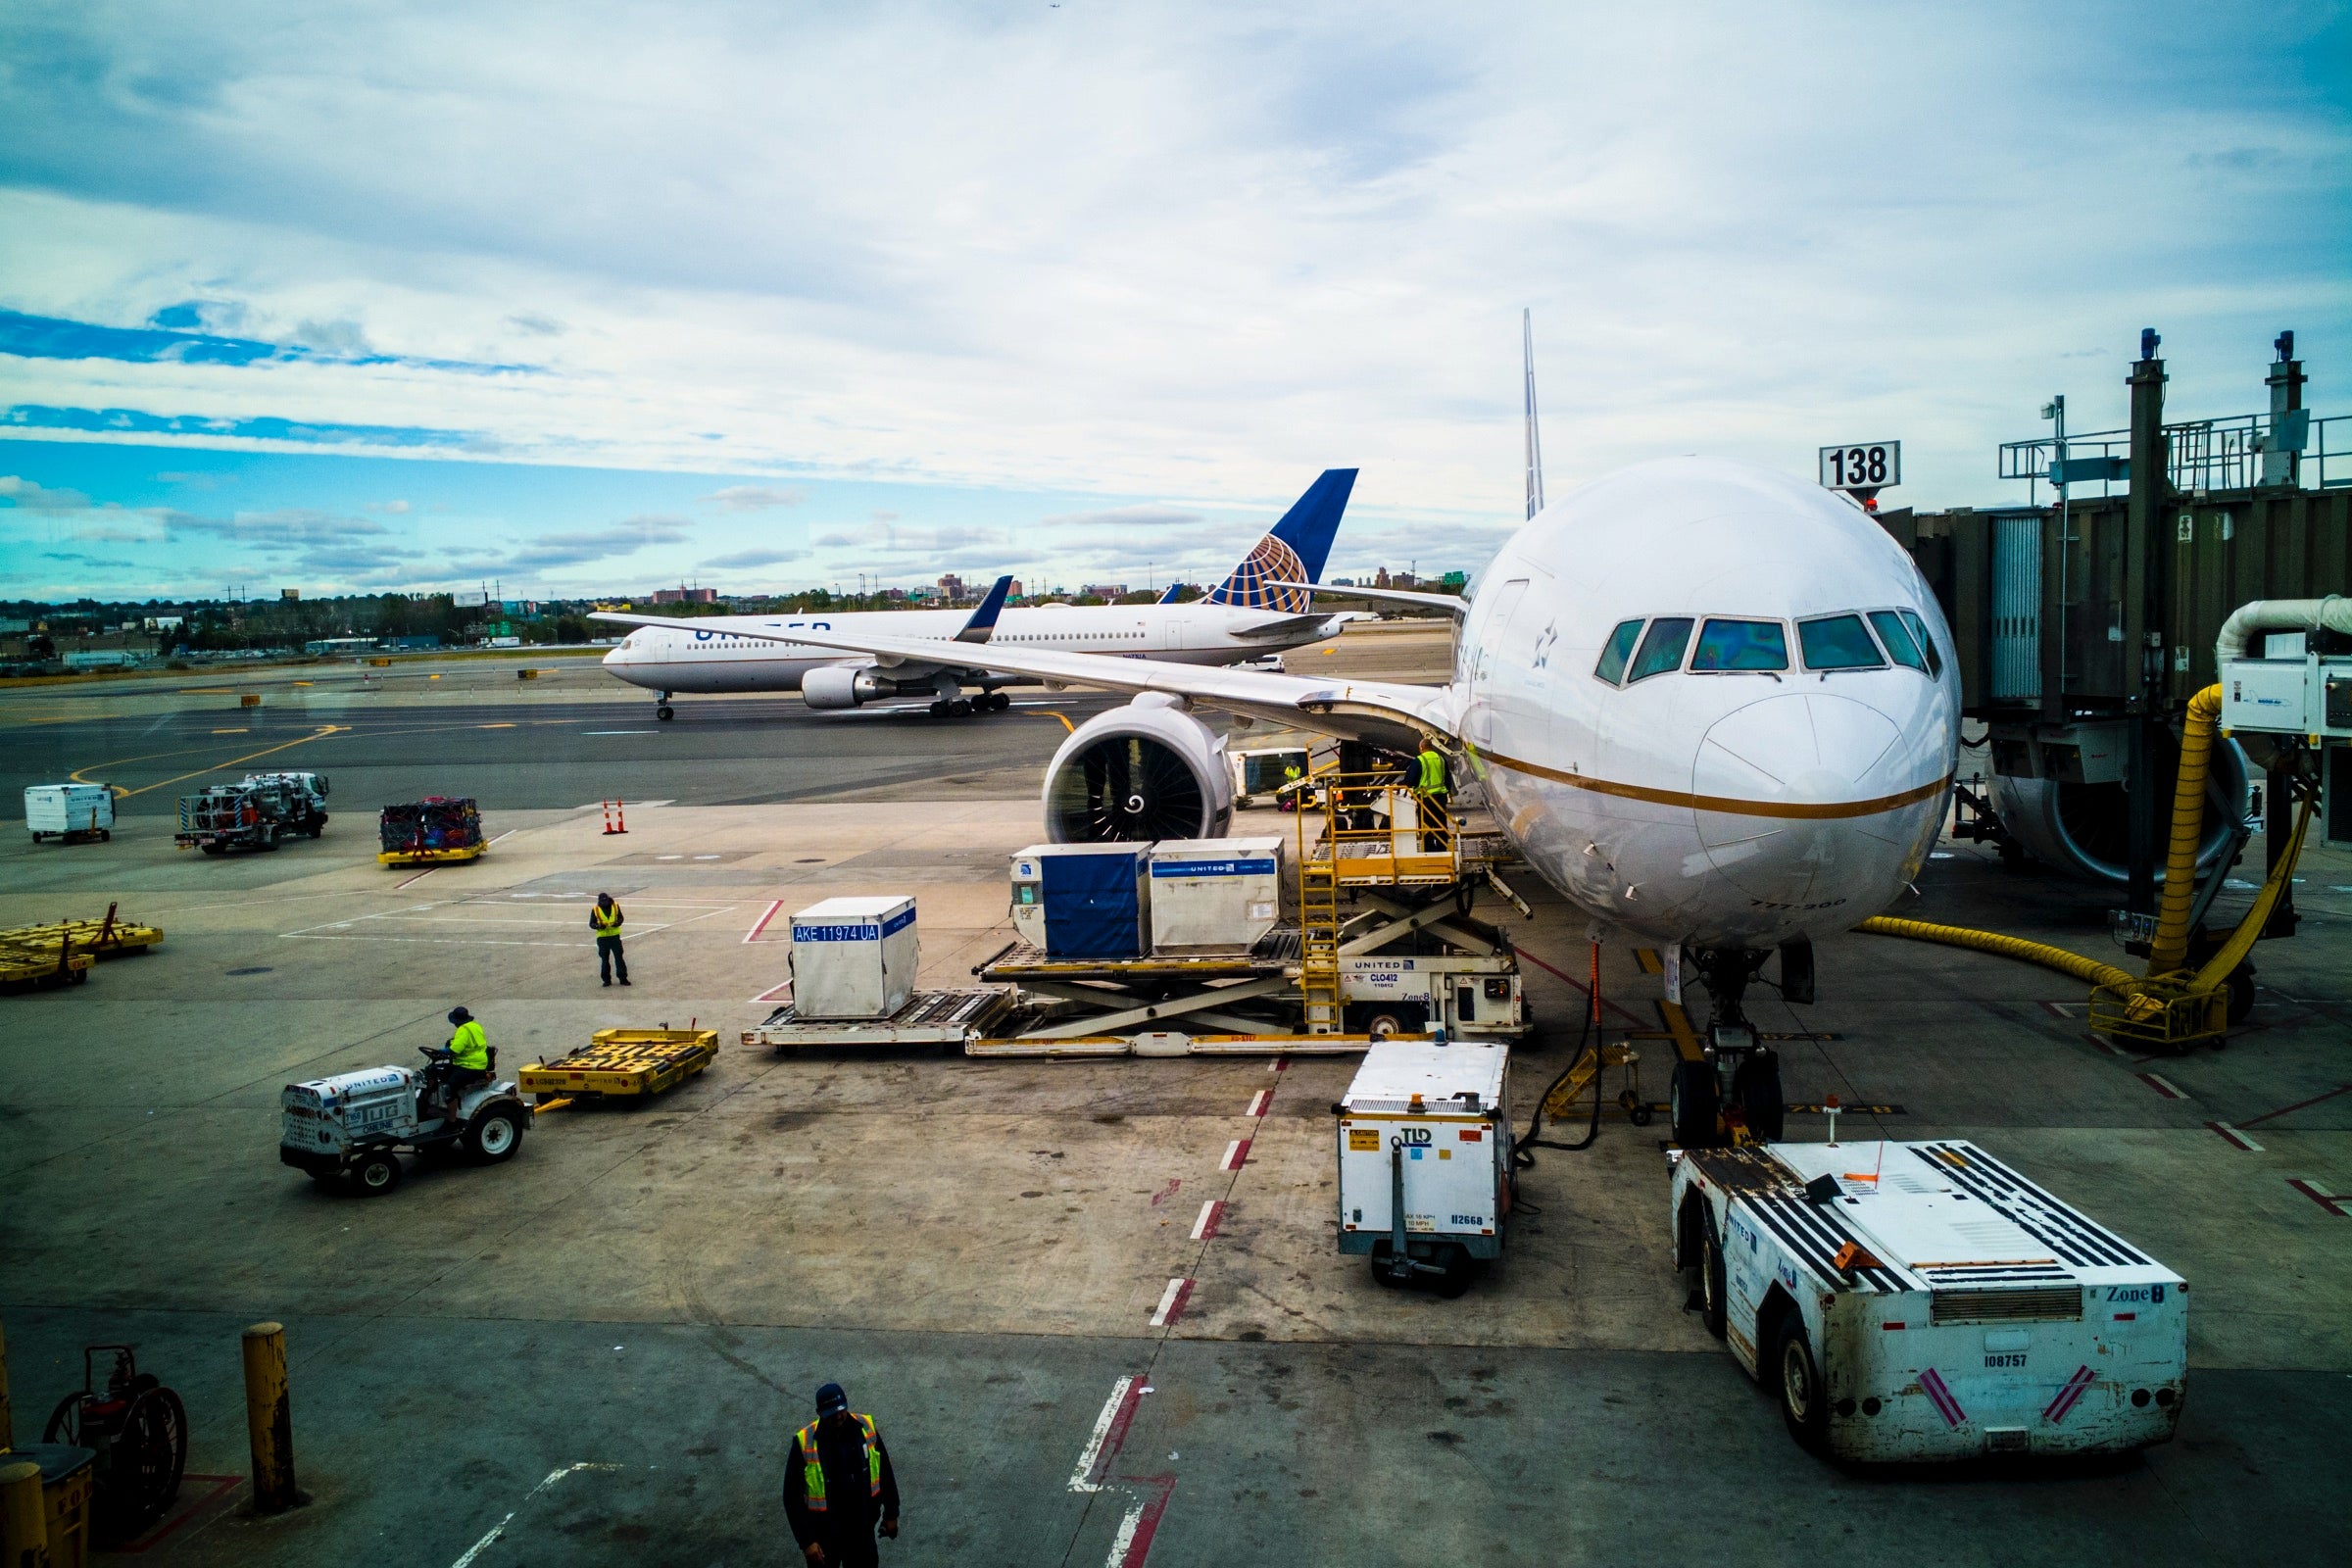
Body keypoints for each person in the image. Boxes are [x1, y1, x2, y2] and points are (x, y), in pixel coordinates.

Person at [783, 1383, 899, 1567]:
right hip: (824, 1537)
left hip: (861, 1529)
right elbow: (791, 1497)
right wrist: (807, 1542)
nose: (838, 1416)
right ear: (819, 1413)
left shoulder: (865, 1428)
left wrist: (892, 1513)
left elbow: (884, 1472)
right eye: (831, 1413)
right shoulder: (804, 1442)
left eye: (841, 1410)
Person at [438, 1005, 490, 1123]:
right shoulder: (475, 1026)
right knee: (436, 1071)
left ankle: (452, 1120)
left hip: (471, 1066)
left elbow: (454, 1050)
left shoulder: (463, 1030)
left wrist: (442, 1051)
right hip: (477, 1063)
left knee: (450, 1088)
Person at [1414, 741, 1449, 852]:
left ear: (1421, 747)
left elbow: (1410, 779)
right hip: (1440, 798)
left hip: (1425, 799)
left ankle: (1429, 849)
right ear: (1432, 747)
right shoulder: (1441, 759)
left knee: (1426, 825)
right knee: (1441, 824)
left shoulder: (1419, 760)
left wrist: (1400, 785)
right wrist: (1446, 791)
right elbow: (1448, 778)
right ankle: (1442, 847)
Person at [590, 893, 630, 986]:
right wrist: (598, 926)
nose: (604, 903)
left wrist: (618, 923)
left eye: (605, 901)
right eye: (602, 902)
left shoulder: (615, 906)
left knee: (619, 958)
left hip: (614, 937)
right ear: (599, 901)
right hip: (602, 938)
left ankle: (623, 978)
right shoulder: (595, 909)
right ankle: (606, 980)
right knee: (604, 959)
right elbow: (591, 923)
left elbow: (621, 917)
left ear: (608, 900)